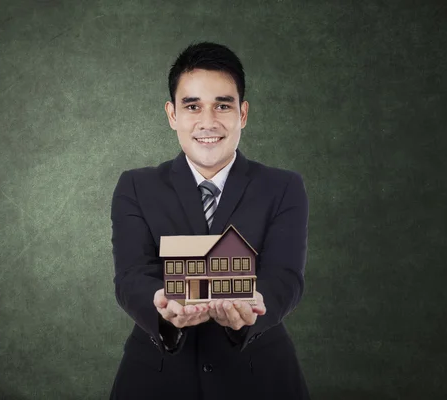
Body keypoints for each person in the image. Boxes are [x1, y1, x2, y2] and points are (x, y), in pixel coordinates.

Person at [109, 42, 310, 400]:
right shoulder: (136, 185)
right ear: (172, 115)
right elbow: (130, 275)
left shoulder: (283, 186)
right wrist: (161, 306)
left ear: (243, 113)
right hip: (156, 379)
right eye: (192, 106)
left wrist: (254, 308)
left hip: (259, 377)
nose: (208, 121)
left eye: (222, 105)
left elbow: (286, 276)